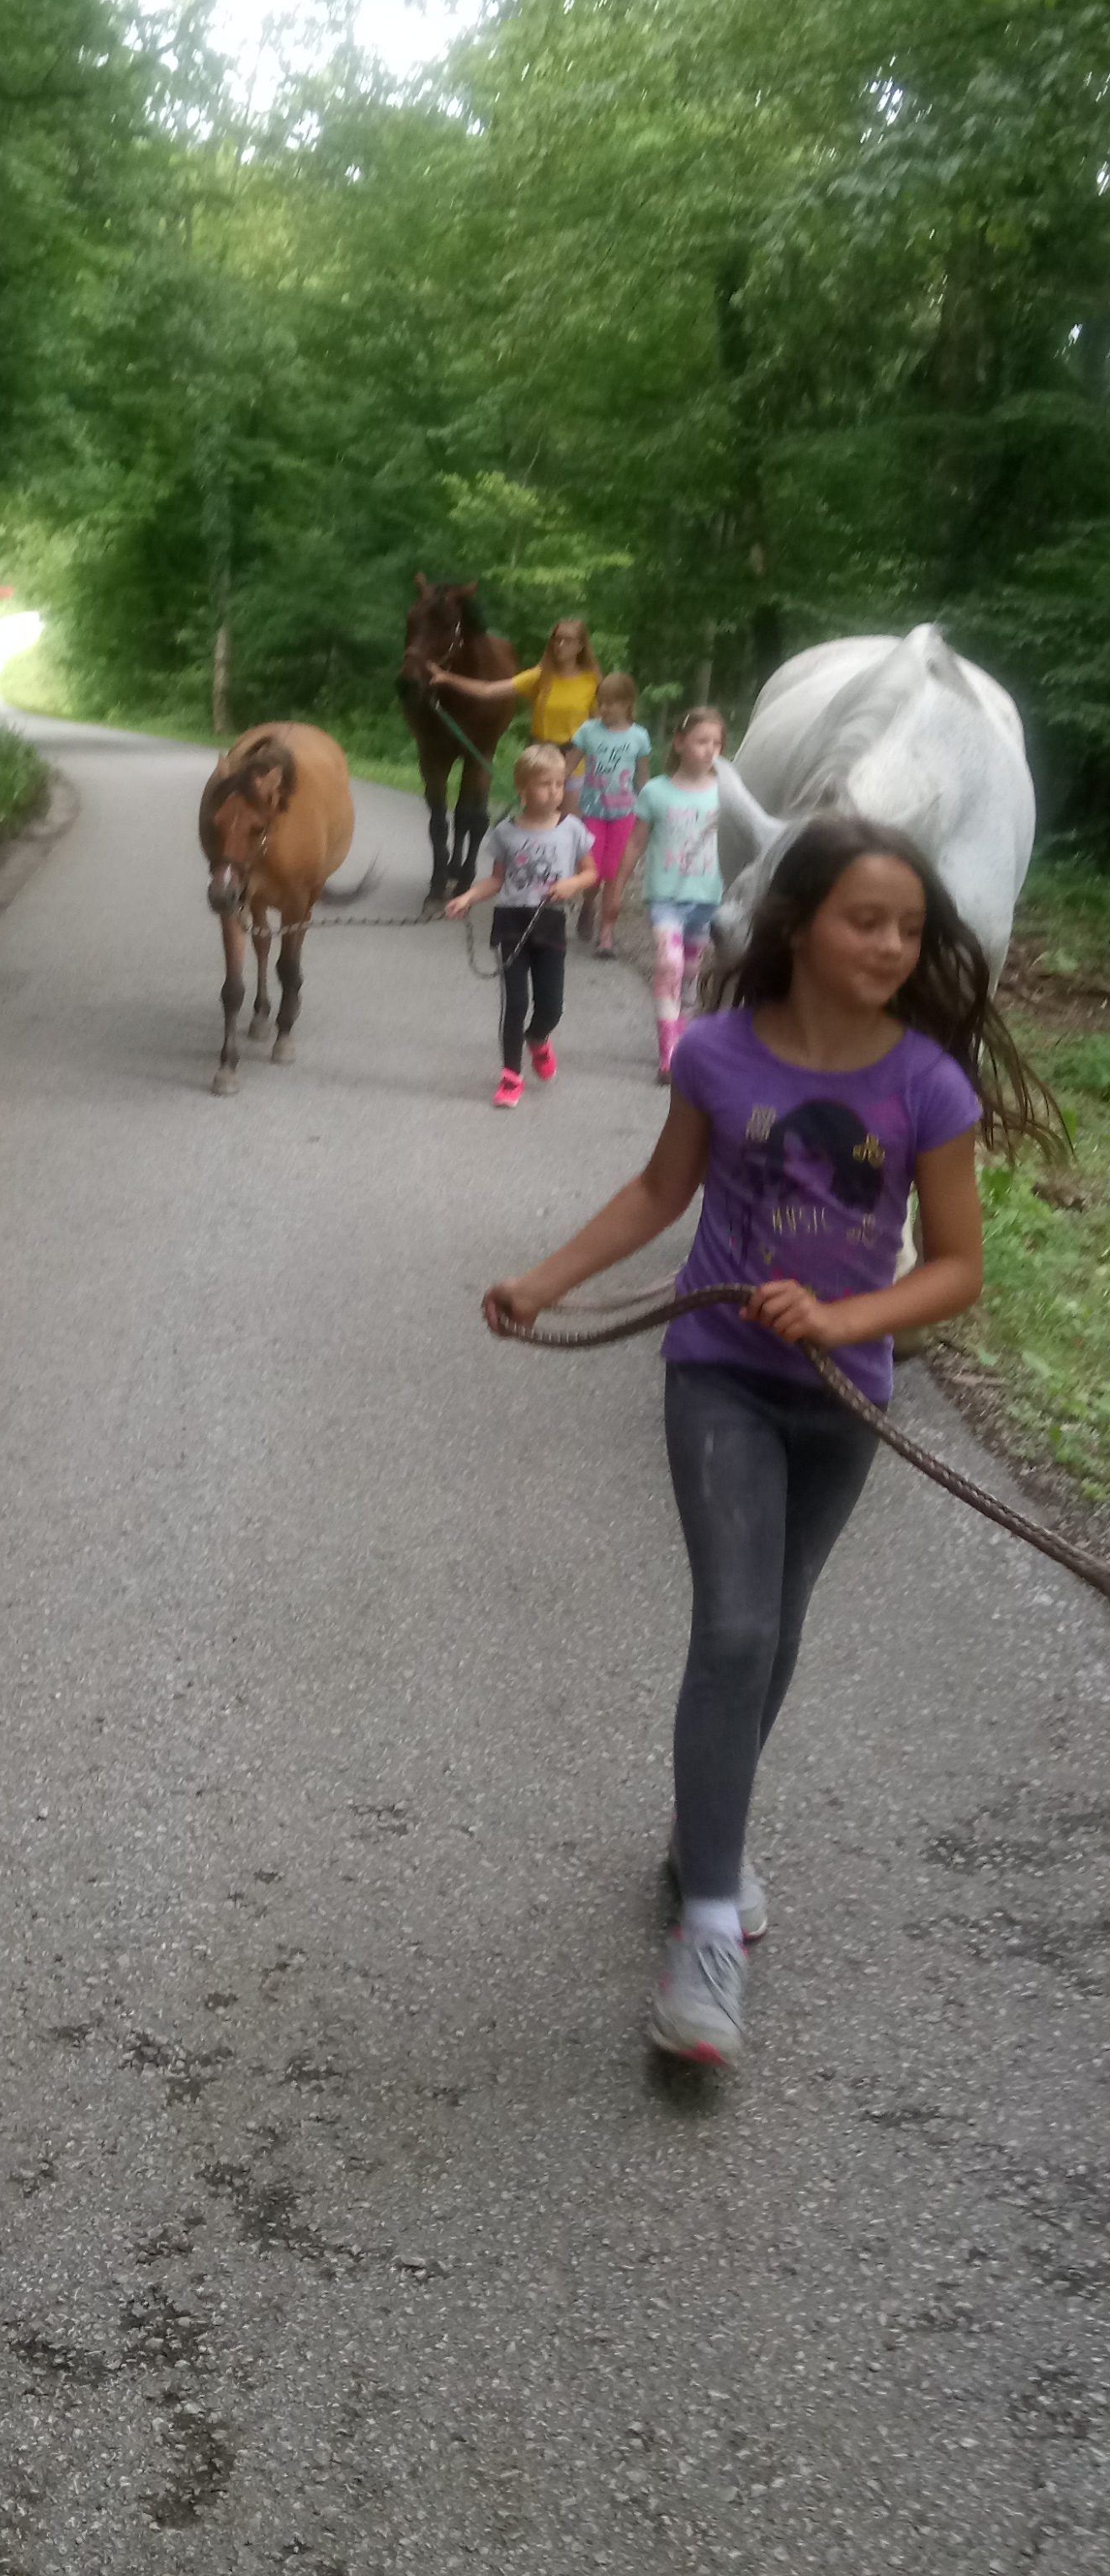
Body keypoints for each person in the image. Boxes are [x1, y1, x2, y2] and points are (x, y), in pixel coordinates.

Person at [478, 814, 1054, 2070]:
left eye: (910, 928)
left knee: (778, 1630)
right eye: (866, 920)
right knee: (735, 1630)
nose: (892, 945)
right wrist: (542, 1280)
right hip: (721, 1377)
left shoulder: (929, 1085)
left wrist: (847, 1318)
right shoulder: (720, 1056)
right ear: (798, 924)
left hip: (843, 1396)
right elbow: (659, 1191)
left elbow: (957, 1268)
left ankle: (707, 1834)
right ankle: (707, 1932)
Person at [447, 742, 597, 1107]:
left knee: (551, 1006)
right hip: (511, 924)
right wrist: (468, 897)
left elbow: (591, 873)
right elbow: (497, 880)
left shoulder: (572, 829)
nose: (555, 791)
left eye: (560, 784)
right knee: (515, 1003)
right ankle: (511, 1076)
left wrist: (572, 885)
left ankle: (538, 1038)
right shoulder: (506, 832)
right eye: (545, 784)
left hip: (550, 923)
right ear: (523, 789)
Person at [620, 703, 726, 1077]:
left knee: (692, 973)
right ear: (680, 743)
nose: (710, 750)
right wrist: (618, 885)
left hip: (709, 897)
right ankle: (669, 1050)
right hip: (666, 897)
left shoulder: (726, 792)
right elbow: (636, 842)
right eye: (701, 741)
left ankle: (685, 1037)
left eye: (716, 743)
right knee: (670, 963)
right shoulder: (656, 792)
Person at [428, 615, 601, 757]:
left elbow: (599, 728)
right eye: (557, 639)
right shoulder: (540, 676)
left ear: (580, 646)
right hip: (541, 760)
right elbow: (488, 690)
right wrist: (447, 678)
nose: (560, 645)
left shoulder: (592, 682)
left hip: (576, 764)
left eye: (568, 640)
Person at [566, 671, 652, 953]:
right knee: (593, 871)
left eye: (610, 703)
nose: (603, 708)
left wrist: (651, 808)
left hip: (624, 814)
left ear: (627, 703)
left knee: (614, 874)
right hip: (593, 811)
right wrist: (548, 785)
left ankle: (606, 935)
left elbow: (643, 778)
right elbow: (568, 766)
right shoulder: (588, 731)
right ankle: (588, 903)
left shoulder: (639, 737)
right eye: (600, 702)